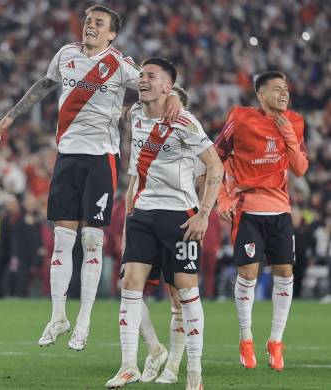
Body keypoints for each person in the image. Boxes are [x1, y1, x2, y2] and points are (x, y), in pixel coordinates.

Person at [0, 4, 182, 352]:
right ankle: (59, 316)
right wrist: (9, 118)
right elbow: (44, 85)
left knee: (92, 241)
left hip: (101, 159)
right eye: (88, 21)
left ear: (112, 33)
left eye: (99, 23)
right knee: (63, 240)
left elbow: (155, 87)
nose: (90, 26)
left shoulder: (121, 65)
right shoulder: (65, 55)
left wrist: (176, 102)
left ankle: (84, 321)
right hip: (67, 157)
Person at [105, 58, 223, 390]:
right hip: (143, 214)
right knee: (129, 285)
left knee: (186, 294)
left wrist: (203, 214)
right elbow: (122, 108)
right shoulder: (137, 115)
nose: (142, 80)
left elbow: (215, 168)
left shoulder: (185, 121)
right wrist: (128, 221)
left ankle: (194, 375)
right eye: (140, 75)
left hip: (179, 217)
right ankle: (129, 364)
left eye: (150, 76)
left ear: (167, 87)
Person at [214, 71, 308, 371]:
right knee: (249, 274)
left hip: (279, 210)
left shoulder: (294, 121)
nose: (284, 93)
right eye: (277, 88)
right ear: (260, 95)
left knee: (284, 270)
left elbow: (301, 169)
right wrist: (222, 197)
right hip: (247, 208)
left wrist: (289, 136)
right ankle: (246, 338)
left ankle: (276, 341)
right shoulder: (240, 118)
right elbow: (216, 155)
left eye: (286, 88)